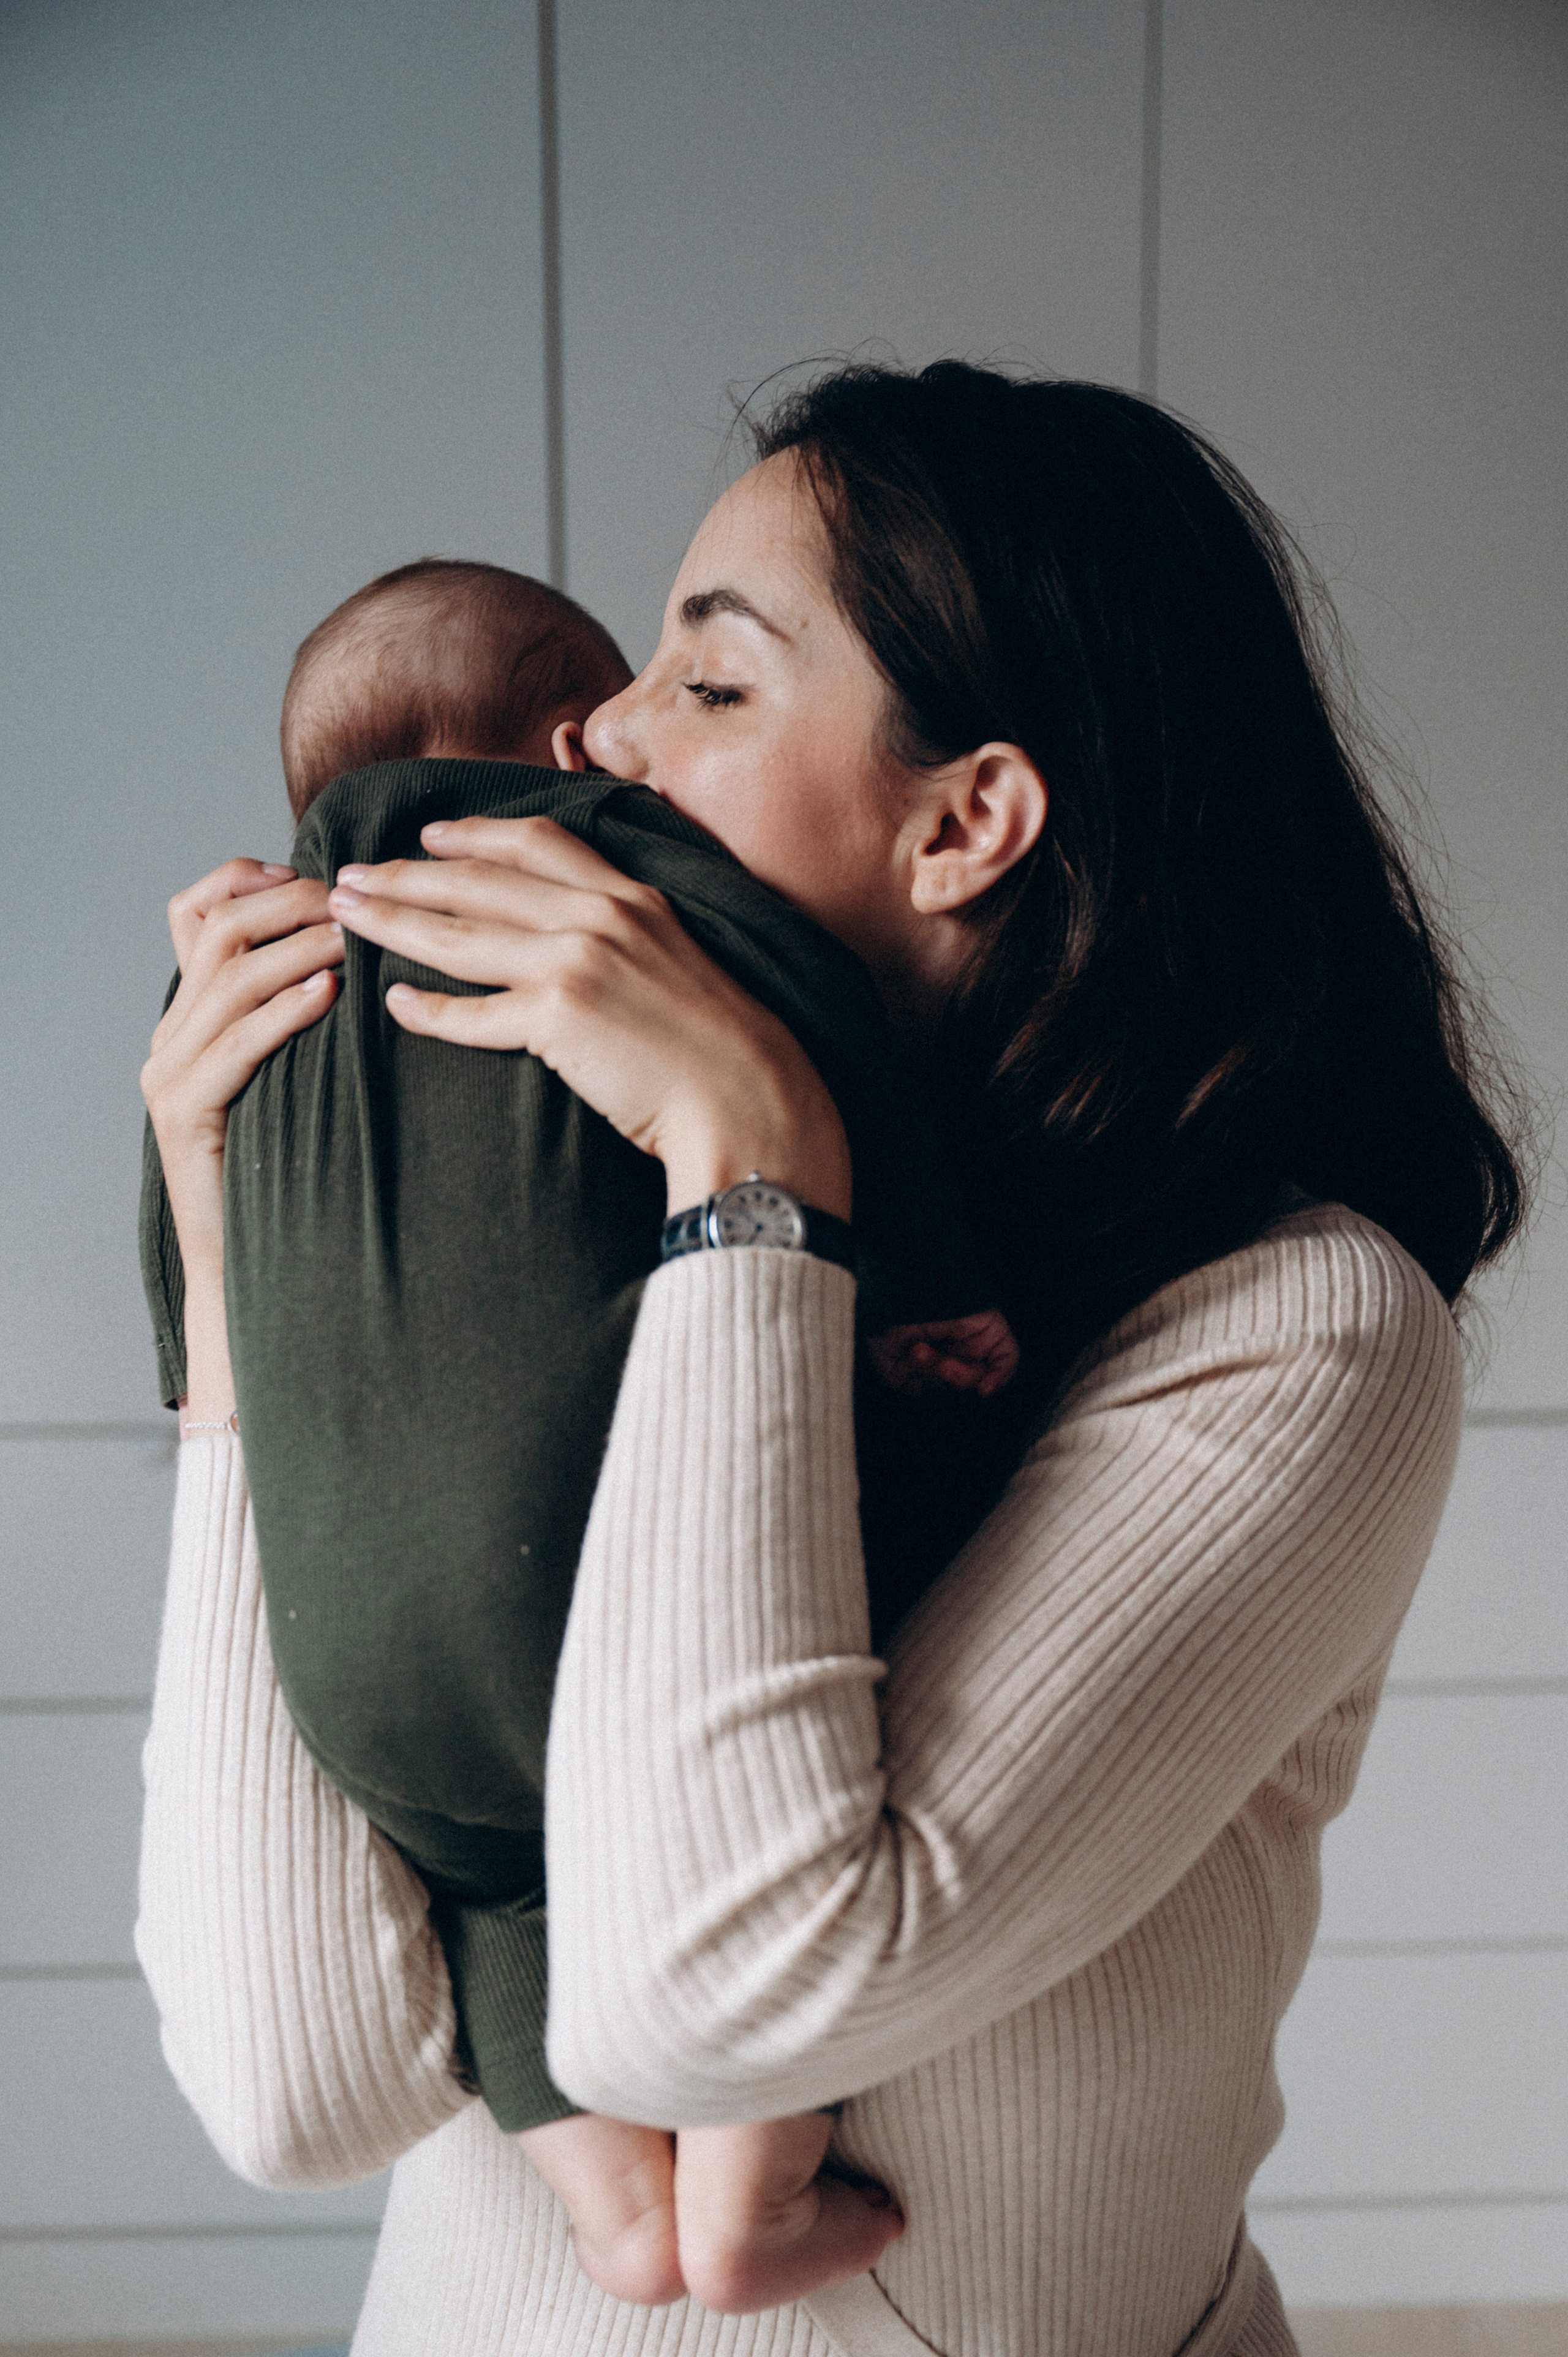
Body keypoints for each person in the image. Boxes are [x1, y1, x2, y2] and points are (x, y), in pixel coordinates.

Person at [137, 361, 1528, 2357]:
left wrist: (759, 1185)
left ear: (970, 818)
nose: (596, 740)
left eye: (707, 687)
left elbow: (717, 1989)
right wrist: (239, 1260)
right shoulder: (527, 1232)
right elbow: (297, 2085)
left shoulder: (1291, 1328)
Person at [140, 554, 1016, 2310]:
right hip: (601, 1597)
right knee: (858, 1528)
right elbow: (815, 1043)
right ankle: (746, 2194)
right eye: (649, 693)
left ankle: (617, 2215)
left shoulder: (239, 988)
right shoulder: (632, 881)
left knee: (498, 1878)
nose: (637, 736)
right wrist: (920, 1283)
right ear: (568, 740)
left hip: (349, 1671)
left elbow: (196, 1263)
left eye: (712, 687)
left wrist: (222, 1373)